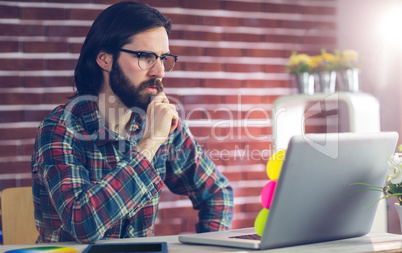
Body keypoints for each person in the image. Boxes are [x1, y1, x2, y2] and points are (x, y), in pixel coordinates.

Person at [31, 1, 234, 244]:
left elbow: (217, 193)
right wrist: (149, 143)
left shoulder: (163, 125)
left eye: (164, 58)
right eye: (145, 57)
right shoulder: (60, 129)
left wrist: (209, 248)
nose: (159, 71)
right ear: (105, 59)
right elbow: (83, 224)